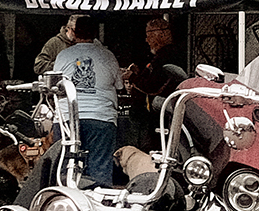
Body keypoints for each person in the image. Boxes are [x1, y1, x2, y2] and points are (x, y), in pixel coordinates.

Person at [54, 15, 123, 186]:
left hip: (67, 119)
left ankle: (62, 204)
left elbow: (54, 87)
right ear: (95, 34)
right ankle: (98, 208)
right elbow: (120, 86)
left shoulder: (63, 55)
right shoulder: (107, 56)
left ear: (74, 33)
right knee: (99, 169)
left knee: (63, 169)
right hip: (101, 117)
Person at [121, 15, 180, 147]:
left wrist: (132, 77)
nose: (147, 40)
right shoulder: (160, 56)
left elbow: (153, 86)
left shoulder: (167, 56)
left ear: (161, 34)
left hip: (162, 113)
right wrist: (137, 73)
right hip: (152, 113)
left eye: (149, 35)